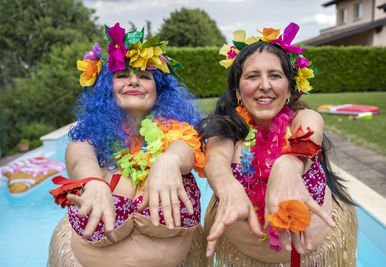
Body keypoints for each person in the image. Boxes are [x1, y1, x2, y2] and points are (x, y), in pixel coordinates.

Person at [197, 23, 358, 266]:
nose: (265, 85)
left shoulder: (302, 120)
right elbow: (216, 163)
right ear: (238, 92)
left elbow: (311, 132)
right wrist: (227, 185)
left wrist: (288, 164)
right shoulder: (227, 132)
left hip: (314, 256)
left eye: (275, 75)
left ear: (290, 88)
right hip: (245, 258)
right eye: (253, 76)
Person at [48, 23, 206, 266]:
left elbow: (183, 149)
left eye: (144, 76)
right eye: (122, 75)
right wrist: (93, 182)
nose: (133, 81)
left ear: (159, 90)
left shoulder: (177, 135)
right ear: (107, 89)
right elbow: (79, 155)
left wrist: (168, 161)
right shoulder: (92, 140)